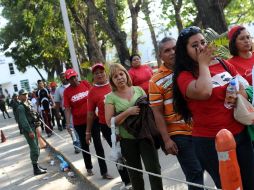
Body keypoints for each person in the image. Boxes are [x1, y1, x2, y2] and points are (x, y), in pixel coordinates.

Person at [172, 26, 254, 189]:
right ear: (185, 51)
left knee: (250, 182)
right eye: (194, 45)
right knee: (230, 185)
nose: (201, 47)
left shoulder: (223, 63)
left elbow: (243, 90)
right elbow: (204, 92)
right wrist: (203, 64)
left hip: (240, 133)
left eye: (203, 42)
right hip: (211, 141)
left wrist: (237, 93)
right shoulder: (184, 75)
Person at [149, 37, 204, 190]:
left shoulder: (192, 68)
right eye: (167, 50)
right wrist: (166, 140)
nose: (172, 52)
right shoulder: (155, 81)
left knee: (209, 168)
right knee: (195, 173)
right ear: (160, 56)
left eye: (174, 48)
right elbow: (157, 113)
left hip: (202, 128)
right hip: (179, 134)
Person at [105, 63, 163, 190]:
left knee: (154, 170)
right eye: (115, 76)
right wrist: (127, 112)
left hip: (145, 136)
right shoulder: (110, 97)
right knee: (135, 175)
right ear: (112, 81)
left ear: (126, 75)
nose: (119, 78)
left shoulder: (138, 90)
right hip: (127, 141)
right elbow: (109, 122)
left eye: (121, 74)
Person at [86, 63, 132, 186]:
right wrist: (88, 132)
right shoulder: (92, 92)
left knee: (129, 150)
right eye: (96, 73)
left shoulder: (113, 84)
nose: (100, 74)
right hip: (107, 127)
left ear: (106, 73)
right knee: (118, 153)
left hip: (124, 122)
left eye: (101, 72)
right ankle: (127, 181)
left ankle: (135, 177)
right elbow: (90, 114)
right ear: (93, 76)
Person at [63, 68, 93, 176]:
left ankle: (104, 171)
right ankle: (89, 168)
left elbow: (94, 96)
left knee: (98, 144)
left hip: (93, 119)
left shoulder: (85, 83)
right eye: (71, 78)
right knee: (85, 145)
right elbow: (67, 108)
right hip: (79, 123)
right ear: (68, 80)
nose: (74, 79)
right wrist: (67, 123)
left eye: (75, 77)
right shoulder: (67, 92)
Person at [17, 89, 47, 175]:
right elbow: (23, 121)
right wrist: (29, 131)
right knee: (34, 149)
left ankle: (36, 166)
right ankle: (35, 169)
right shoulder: (21, 107)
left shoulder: (28, 103)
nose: (25, 95)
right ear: (19, 96)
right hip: (29, 129)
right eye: (23, 94)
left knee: (36, 148)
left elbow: (33, 114)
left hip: (33, 127)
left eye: (26, 94)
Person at [55, 72, 81, 154]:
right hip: (67, 111)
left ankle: (82, 141)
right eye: (61, 77)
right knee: (72, 128)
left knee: (79, 127)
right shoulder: (58, 90)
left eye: (64, 77)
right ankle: (77, 145)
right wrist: (58, 113)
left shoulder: (74, 85)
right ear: (60, 79)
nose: (63, 78)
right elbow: (57, 103)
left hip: (77, 108)